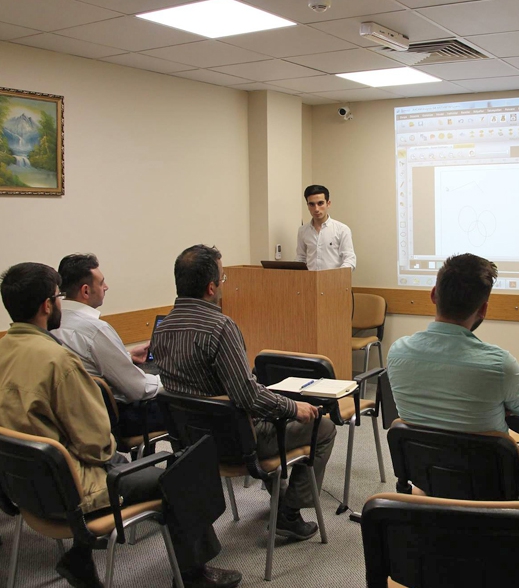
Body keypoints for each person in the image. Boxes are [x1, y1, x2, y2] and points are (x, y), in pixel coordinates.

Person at [0, 262, 240, 588]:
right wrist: (116, 457)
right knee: (183, 474)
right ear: (46, 305)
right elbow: (96, 444)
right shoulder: (58, 362)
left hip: (30, 488)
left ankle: (80, 557)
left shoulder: (5, 349)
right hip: (77, 487)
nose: (60, 302)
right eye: (57, 297)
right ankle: (194, 575)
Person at [151, 244, 337, 540]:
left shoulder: (162, 328)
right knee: (322, 427)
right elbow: (247, 397)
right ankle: (289, 513)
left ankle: (281, 499)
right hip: (236, 443)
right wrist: (293, 407)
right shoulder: (220, 328)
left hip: (192, 445)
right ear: (211, 287)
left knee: (272, 412)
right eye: (223, 279)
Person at [387, 253, 519, 494]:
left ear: (433, 294)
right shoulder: (501, 364)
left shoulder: (397, 352)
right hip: (494, 488)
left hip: (429, 478)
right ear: (483, 309)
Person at [51, 254, 163, 438]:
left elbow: (87, 363)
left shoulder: (53, 322)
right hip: (114, 419)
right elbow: (139, 389)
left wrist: (126, 356)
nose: (106, 287)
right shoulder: (95, 330)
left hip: (75, 419)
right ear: (86, 291)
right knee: (184, 408)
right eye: (102, 282)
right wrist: (170, 381)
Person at [296, 184, 356, 270]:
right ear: (308, 206)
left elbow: (349, 259)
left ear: (328, 204)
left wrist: (337, 275)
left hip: (335, 278)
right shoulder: (303, 231)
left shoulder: (342, 230)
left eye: (320, 203)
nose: (316, 209)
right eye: (312, 204)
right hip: (310, 278)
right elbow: (301, 258)